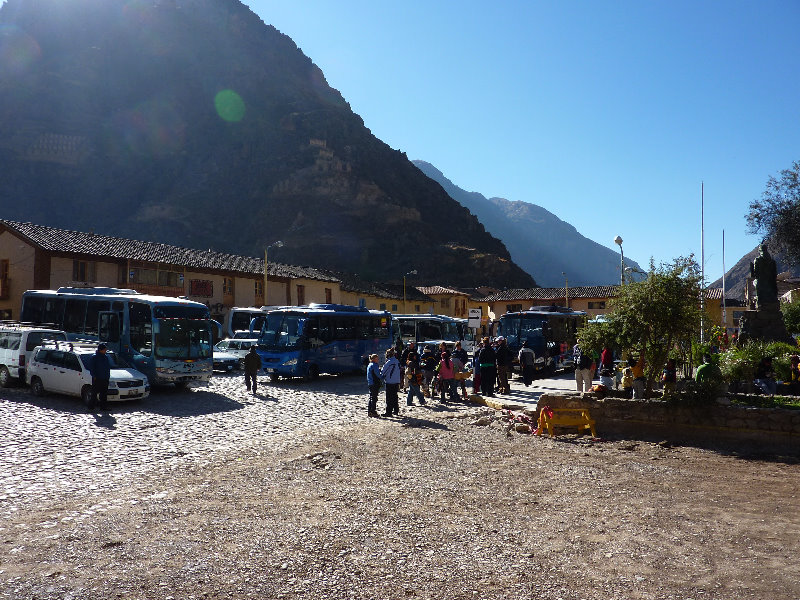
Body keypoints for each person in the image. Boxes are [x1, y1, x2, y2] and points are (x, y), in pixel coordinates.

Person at [750, 243, 778, 308]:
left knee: (755, 283)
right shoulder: (772, 261)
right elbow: (775, 273)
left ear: (760, 251)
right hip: (771, 284)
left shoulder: (757, 260)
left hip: (761, 282)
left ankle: (759, 301)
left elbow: (755, 273)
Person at [86, 343, 111, 412]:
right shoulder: (94, 357)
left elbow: (107, 367)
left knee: (104, 393)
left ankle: (103, 407)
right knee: (94, 393)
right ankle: (91, 407)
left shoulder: (105, 357)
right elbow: (91, 368)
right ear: (101, 350)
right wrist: (94, 376)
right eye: (105, 349)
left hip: (105, 378)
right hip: (97, 378)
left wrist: (107, 376)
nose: (106, 350)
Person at [381, 348, 402, 416]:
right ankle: (396, 410)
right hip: (397, 381)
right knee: (395, 396)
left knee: (389, 398)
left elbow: (383, 372)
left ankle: (388, 412)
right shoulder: (397, 361)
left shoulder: (389, 362)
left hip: (390, 381)